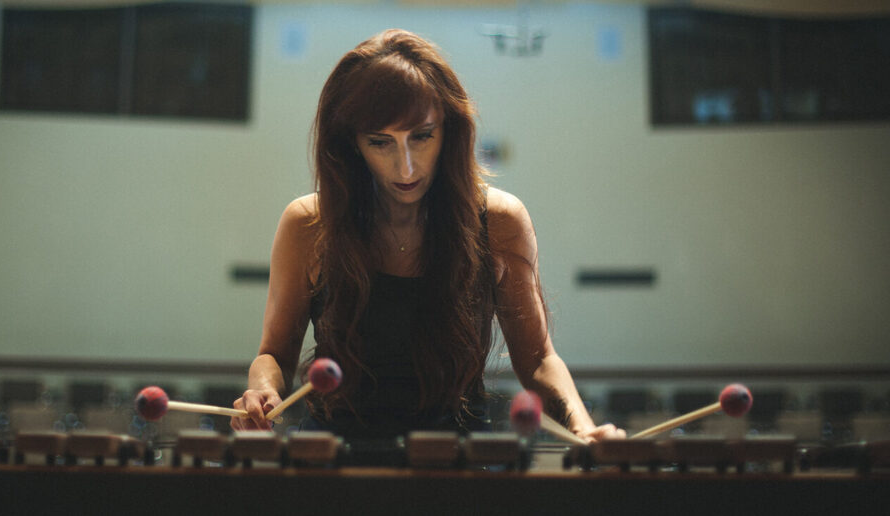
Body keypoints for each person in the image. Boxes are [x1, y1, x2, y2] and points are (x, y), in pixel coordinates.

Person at [232, 29, 624, 444]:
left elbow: (540, 361)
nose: (406, 168)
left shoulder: (499, 221)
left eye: (421, 136)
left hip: (456, 460)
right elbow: (274, 353)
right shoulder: (309, 225)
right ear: (352, 146)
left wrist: (582, 425)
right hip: (337, 460)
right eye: (380, 143)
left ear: (449, 131)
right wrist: (262, 390)